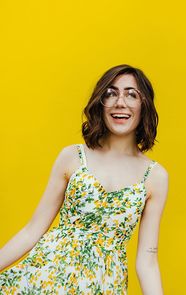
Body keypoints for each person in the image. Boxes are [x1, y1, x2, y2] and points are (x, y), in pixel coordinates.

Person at [0, 64, 169, 294]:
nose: (120, 102)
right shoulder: (72, 157)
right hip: (45, 280)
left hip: (104, 287)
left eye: (132, 94)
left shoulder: (155, 177)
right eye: (111, 93)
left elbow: (147, 261)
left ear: (144, 106)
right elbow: (33, 230)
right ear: (100, 104)